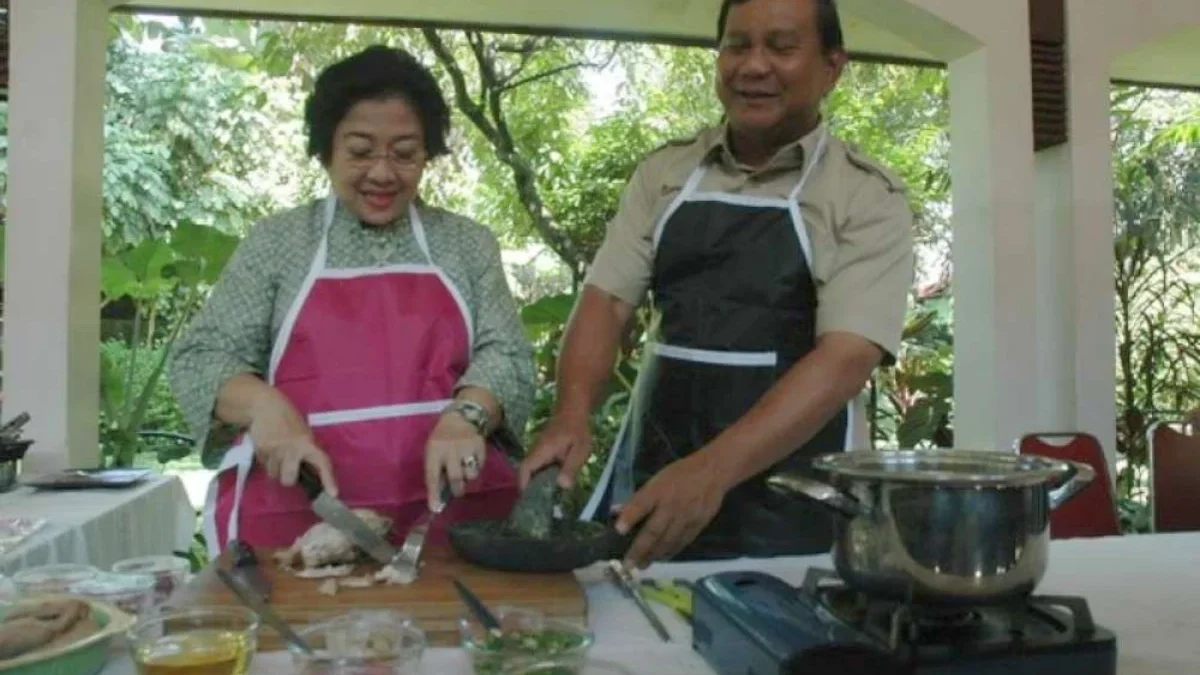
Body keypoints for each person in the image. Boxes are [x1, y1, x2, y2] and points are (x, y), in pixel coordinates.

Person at [521, 0, 914, 567]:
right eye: (737, 45)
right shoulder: (665, 173)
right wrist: (571, 414)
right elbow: (606, 301)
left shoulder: (866, 195)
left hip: (798, 505)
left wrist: (709, 472)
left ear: (832, 67)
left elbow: (846, 358)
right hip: (652, 480)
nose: (753, 66)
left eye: (781, 47)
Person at [170, 45, 534, 558]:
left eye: (404, 153)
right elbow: (202, 356)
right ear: (326, 151)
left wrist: (468, 415)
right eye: (361, 151)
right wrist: (264, 406)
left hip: (451, 519)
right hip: (296, 520)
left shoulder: (467, 244)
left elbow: (508, 354)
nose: (382, 174)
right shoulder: (278, 243)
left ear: (428, 154)